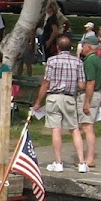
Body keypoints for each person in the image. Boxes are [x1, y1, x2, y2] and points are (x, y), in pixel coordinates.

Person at [34, 35, 86, 173]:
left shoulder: (52, 61)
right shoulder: (78, 62)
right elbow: (81, 84)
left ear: (57, 47)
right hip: (69, 97)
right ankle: (82, 162)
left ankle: (58, 162)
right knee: (74, 129)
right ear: (71, 48)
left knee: (56, 129)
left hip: (54, 97)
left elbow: (46, 83)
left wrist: (38, 102)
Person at [80, 42, 101, 168]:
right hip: (97, 94)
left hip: (91, 95)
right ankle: (88, 157)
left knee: (87, 127)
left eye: (83, 46)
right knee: (87, 126)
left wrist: (86, 102)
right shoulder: (97, 59)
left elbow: (90, 82)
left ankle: (89, 158)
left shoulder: (89, 61)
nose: (81, 48)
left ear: (88, 47)